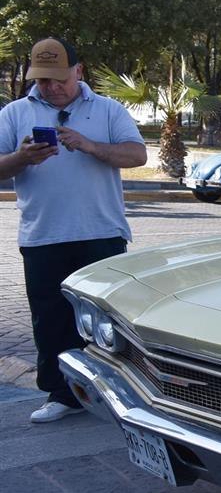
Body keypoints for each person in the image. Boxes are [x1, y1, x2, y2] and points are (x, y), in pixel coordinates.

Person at [0, 38, 147, 423]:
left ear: (78, 71)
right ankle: (60, 395)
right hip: (42, 235)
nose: (52, 87)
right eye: (43, 80)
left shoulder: (108, 109)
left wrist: (90, 145)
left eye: (59, 79)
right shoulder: (15, 113)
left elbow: (137, 155)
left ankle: (120, 393)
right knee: (50, 319)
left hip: (102, 233)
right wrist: (21, 158)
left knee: (109, 319)